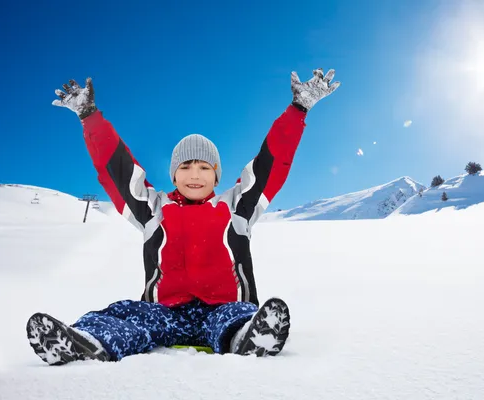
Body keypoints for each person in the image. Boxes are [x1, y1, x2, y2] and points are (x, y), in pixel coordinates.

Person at [25, 69, 340, 365]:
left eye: (204, 168)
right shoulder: (153, 210)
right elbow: (118, 170)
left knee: (235, 318)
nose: (195, 175)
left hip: (223, 308)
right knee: (124, 313)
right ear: (173, 176)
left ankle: (250, 338)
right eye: (185, 167)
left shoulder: (237, 206)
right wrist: (89, 117)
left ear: (217, 177)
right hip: (166, 312)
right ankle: (85, 343)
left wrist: (298, 110)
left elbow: (272, 162)